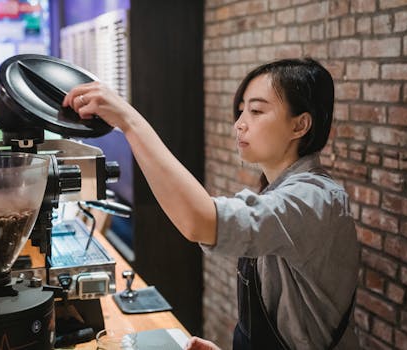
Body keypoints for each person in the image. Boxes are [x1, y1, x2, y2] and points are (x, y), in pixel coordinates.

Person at [63, 58, 360, 350]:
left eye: (256, 111)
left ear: (300, 125)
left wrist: (129, 121)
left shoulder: (315, 199)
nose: (240, 124)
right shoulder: (280, 190)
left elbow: (202, 221)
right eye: (241, 110)